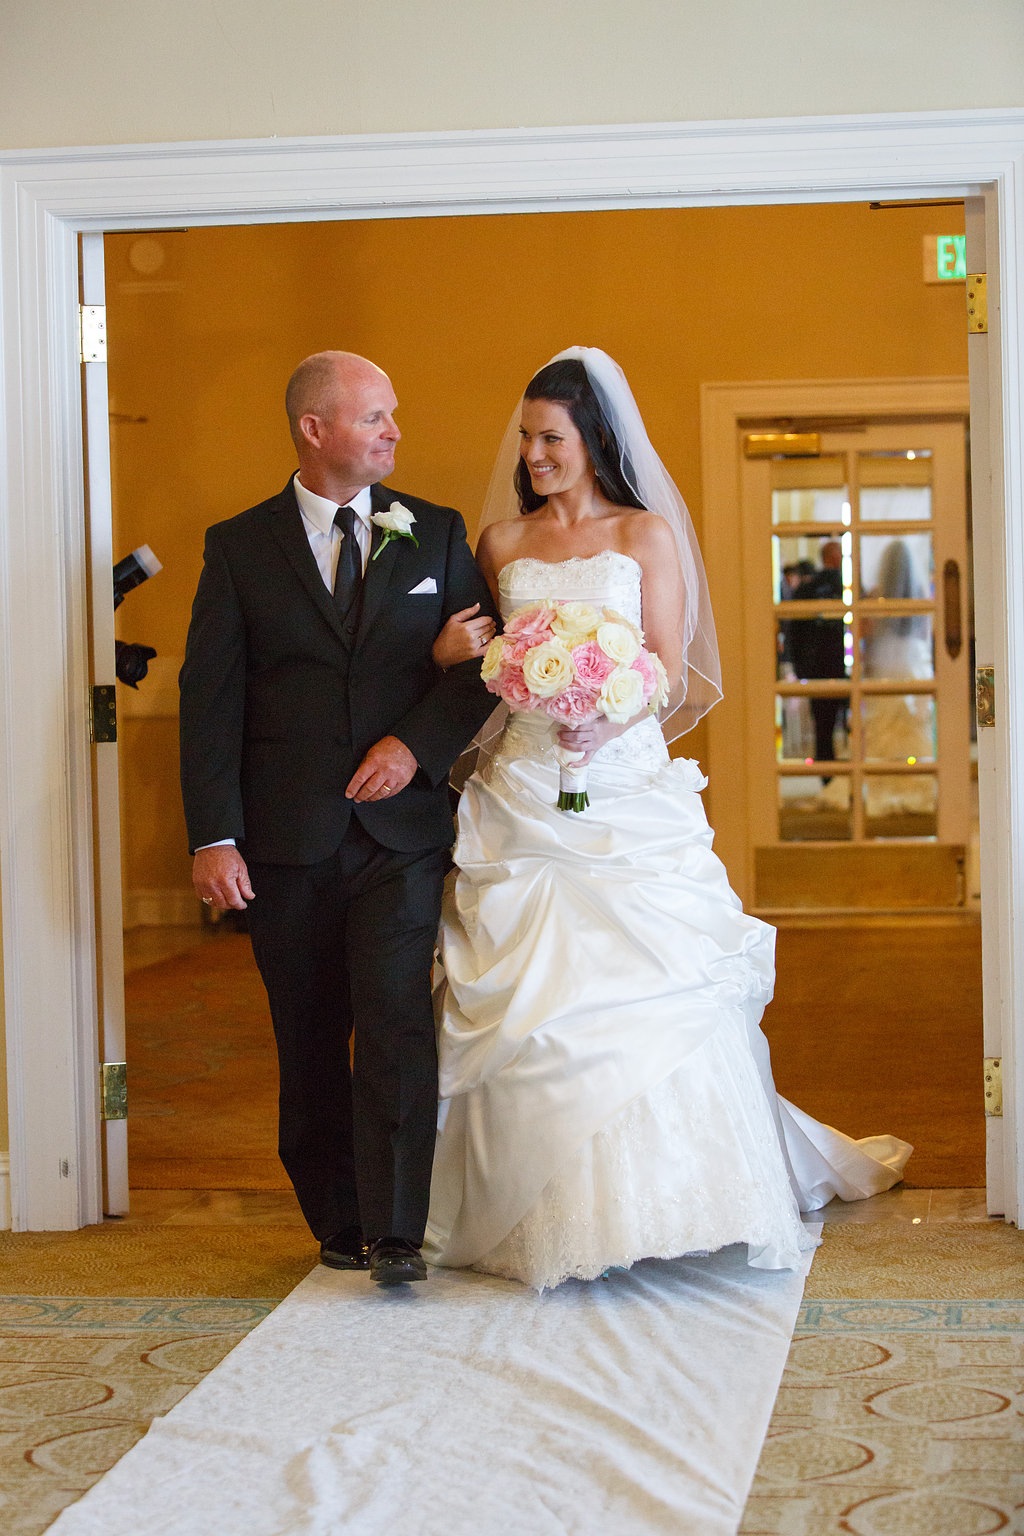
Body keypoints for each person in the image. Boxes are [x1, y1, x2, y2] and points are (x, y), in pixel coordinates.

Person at [423, 347, 911, 1290]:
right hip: (523, 792)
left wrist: (605, 713)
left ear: (594, 441)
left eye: (551, 438)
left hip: (620, 790)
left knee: (649, 990)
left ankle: (687, 1197)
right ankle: (530, 1209)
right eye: (526, 438)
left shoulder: (644, 534)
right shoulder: (499, 545)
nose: (534, 455)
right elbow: (480, 664)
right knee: (532, 1001)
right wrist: (467, 659)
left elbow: (666, 664)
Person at [179, 350, 497, 1286]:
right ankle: (337, 1214)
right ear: (314, 430)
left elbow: (484, 666)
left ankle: (399, 1226)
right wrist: (213, 834)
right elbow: (211, 700)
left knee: (397, 1018)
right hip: (284, 840)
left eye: (393, 415)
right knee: (310, 1029)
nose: (395, 432)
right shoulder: (239, 547)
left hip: (399, 836)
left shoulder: (434, 532)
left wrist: (414, 746)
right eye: (374, 418)